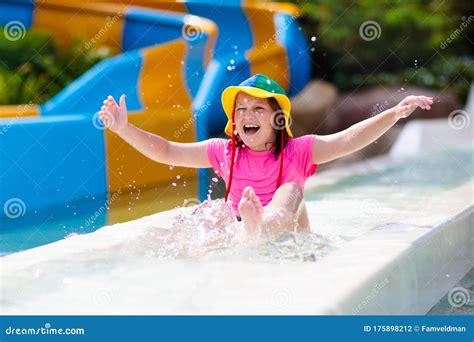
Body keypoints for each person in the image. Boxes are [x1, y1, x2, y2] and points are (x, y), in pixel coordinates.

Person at [98, 74, 433, 241]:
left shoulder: (299, 150)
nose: (248, 113)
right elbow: (168, 151)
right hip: (242, 230)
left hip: (285, 232)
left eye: (258, 107)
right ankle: (244, 233)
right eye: (241, 109)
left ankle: (259, 226)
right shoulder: (223, 151)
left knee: (291, 192)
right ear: (234, 123)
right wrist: (125, 129)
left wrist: (394, 114)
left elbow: (348, 139)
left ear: (278, 121)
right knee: (212, 212)